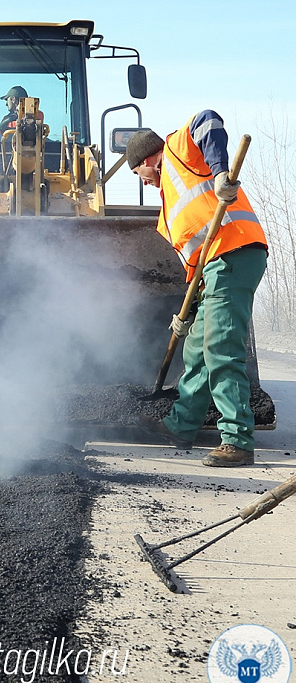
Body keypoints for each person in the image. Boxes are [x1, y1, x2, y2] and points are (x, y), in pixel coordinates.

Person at [127, 112, 267, 467]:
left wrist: (221, 173)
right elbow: (195, 264)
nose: (142, 182)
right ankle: (181, 426)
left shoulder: (176, 149)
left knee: (220, 348)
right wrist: (186, 315)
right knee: (196, 349)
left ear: (146, 160)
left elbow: (208, 121)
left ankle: (237, 441)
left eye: (137, 174)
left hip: (235, 252)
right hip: (214, 270)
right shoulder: (167, 212)